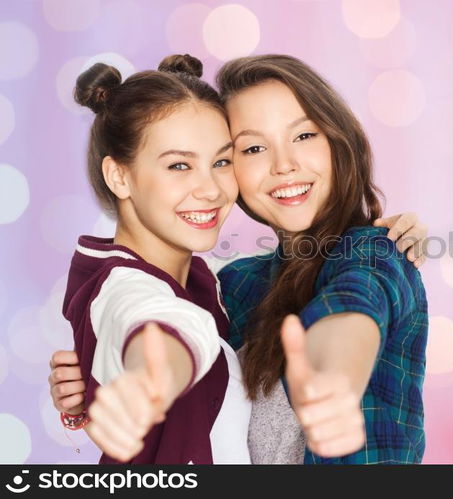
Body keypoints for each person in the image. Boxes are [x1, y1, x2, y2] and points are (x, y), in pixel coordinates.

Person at [51, 54, 429, 464]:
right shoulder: (234, 284)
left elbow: (353, 309)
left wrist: (336, 377)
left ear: (340, 139)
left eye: (304, 136)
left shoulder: (372, 253)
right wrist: (110, 383)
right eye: (252, 148)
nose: (285, 165)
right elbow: (158, 326)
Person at [63, 54, 251, 464]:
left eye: (221, 161)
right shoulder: (123, 290)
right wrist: (150, 381)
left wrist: (373, 239)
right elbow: (155, 324)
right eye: (179, 165)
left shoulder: (201, 279)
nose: (212, 190)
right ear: (120, 176)